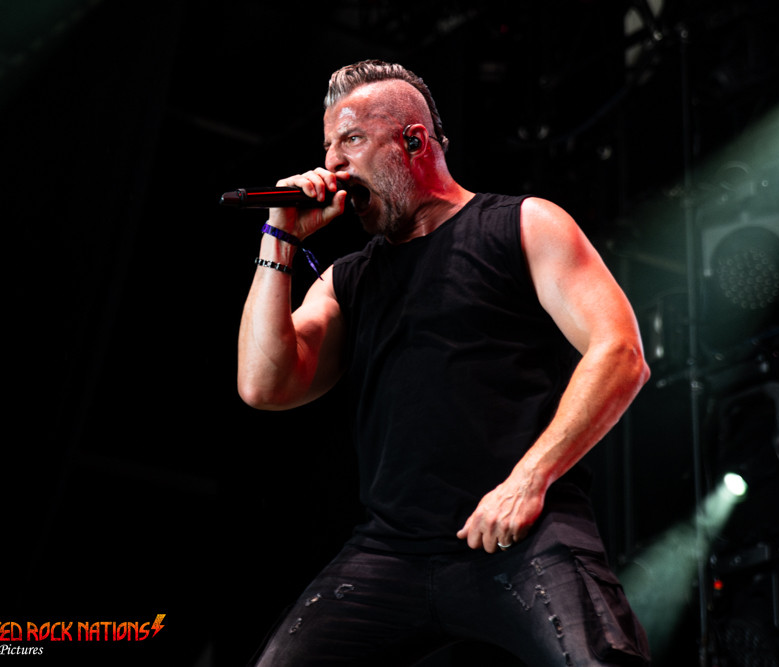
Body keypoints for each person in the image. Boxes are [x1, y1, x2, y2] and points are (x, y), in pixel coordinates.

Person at [237, 60, 652, 667]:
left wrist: (528, 480)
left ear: (413, 141)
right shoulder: (348, 281)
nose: (333, 165)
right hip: (391, 551)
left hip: (522, 532)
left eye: (351, 140)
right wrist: (280, 239)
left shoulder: (523, 225)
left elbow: (620, 352)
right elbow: (264, 385)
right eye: (327, 147)